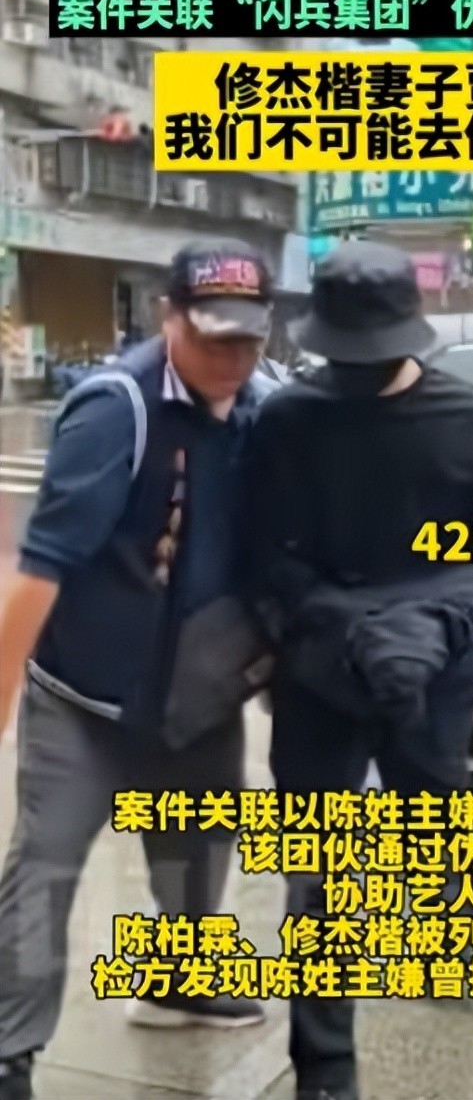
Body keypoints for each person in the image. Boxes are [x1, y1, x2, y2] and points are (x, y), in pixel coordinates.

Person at [0, 239, 277, 1100]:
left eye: (248, 339)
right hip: (84, 697)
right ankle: (9, 1050)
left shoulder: (263, 411)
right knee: (45, 868)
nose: (232, 358)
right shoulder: (115, 409)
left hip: (199, 698)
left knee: (197, 852)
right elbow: (41, 567)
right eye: (214, 337)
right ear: (169, 318)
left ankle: (179, 976)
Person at [247, 241, 473, 1100]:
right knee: (319, 877)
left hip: (434, 670)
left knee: (437, 830)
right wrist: (346, 624)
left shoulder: (466, 416)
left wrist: (434, 621)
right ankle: (325, 1069)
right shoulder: (288, 419)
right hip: (321, 674)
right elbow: (265, 553)